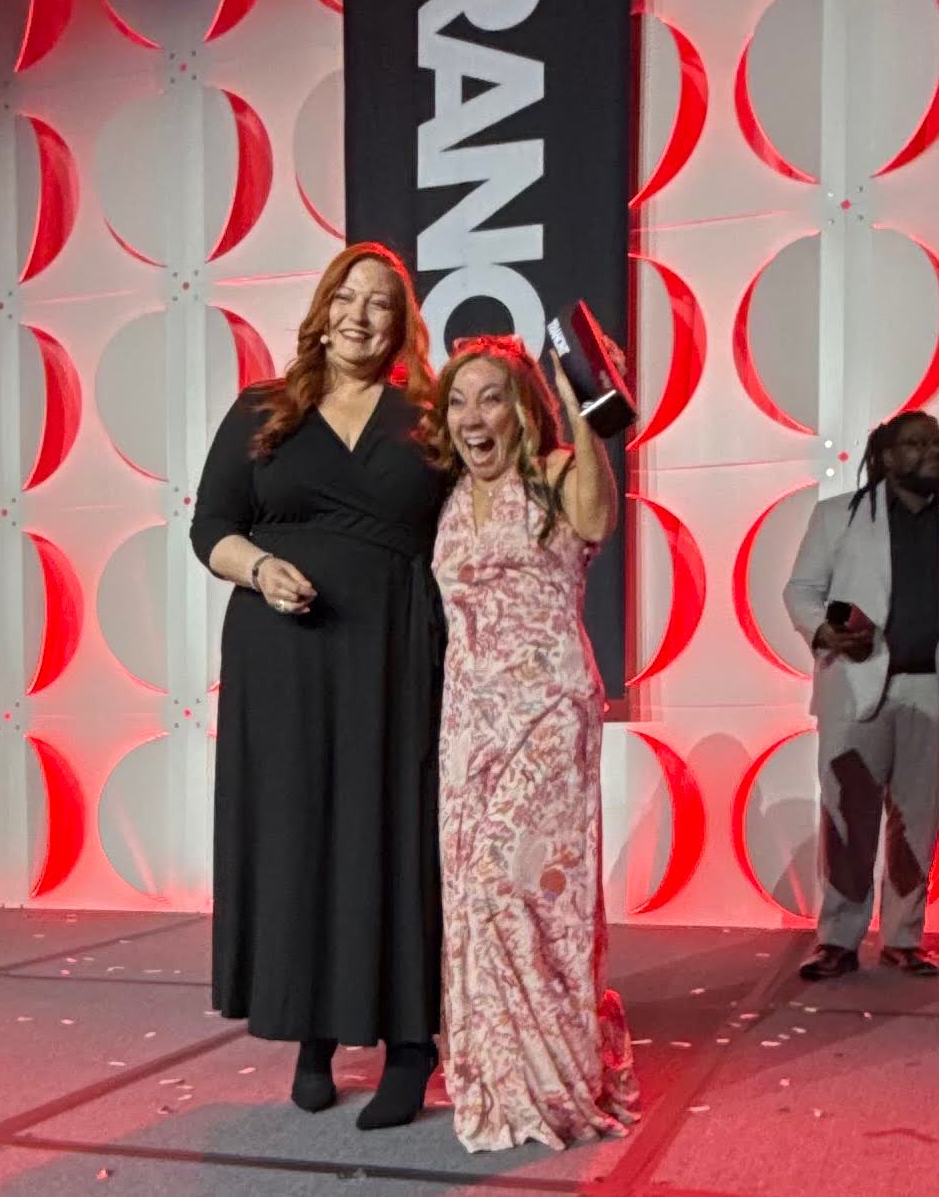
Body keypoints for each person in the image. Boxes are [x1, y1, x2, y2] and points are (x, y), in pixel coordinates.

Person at [189, 242, 447, 1129]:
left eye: (380, 303)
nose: (360, 316)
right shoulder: (263, 408)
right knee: (297, 834)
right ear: (322, 309)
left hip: (393, 650)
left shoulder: (427, 419)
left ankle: (410, 1044)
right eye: (347, 297)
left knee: (394, 830)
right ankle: (312, 1033)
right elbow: (211, 526)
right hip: (282, 658)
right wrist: (260, 569)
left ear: (399, 326)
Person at [425, 334, 640, 1153]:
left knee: (527, 891)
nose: (472, 417)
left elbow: (598, 519)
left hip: (547, 711)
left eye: (490, 398)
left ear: (520, 411)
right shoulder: (447, 498)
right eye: (457, 401)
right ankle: (497, 1069)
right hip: (466, 721)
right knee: (471, 896)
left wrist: (582, 412)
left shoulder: (552, 474)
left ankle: (553, 1074)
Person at [784, 411, 939, 981]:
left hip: (935, 686)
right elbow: (802, 590)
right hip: (852, 686)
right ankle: (837, 939)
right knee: (846, 815)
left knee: (917, 819)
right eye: (917, 444)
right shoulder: (838, 516)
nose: (934, 452)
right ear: (887, 456)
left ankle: (903, 937)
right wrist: (823, 632)